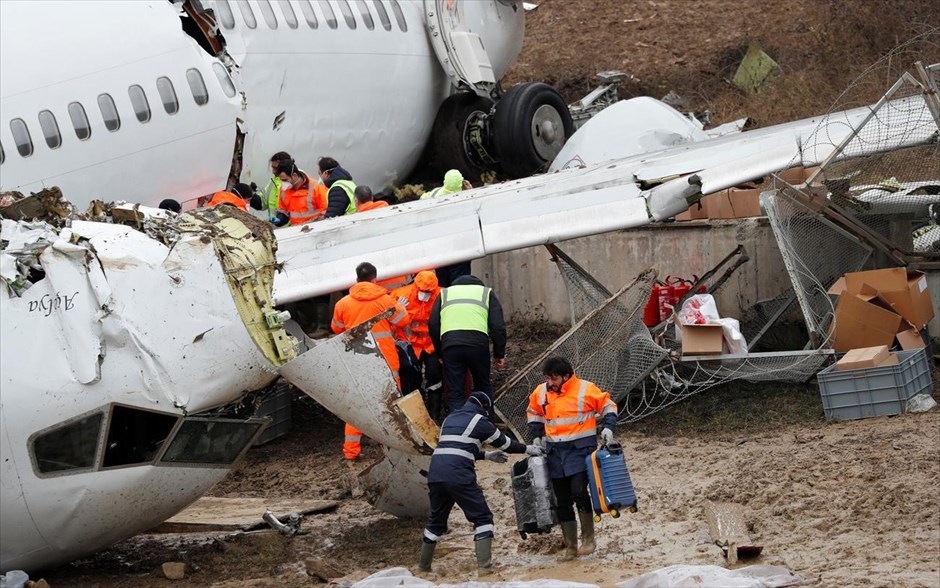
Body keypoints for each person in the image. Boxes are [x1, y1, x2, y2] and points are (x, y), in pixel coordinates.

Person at [418, 390, 542, 573]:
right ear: (485, 408)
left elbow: (457, 446)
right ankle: (485, 568)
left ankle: (423, 567)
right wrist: (528, 449)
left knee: (436, 522)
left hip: (436, 473)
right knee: (483, 518)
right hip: (458, 474)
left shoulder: (450, 418)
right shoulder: (479, 421)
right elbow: (505, 444)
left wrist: (486, 455)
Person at [526, 356, 618, 560]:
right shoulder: (541, 392)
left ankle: (588, 540)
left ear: (566, 376)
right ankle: (571, 547)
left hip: (580, 451)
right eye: (548, 378)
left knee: (579, 492)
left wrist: (609, 428)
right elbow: (533, 413)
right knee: (562, 500)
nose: (550, 383)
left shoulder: (585, 389)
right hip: (555, 454)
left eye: (554, 378)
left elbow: (608, 406)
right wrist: (537, 435)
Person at [331, 262, 410, 460]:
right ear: (375, 279)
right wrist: (400, 305)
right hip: (385, 359)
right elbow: (403, 321)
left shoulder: (343, 304)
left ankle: (351, 450)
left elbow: (336, 329)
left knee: (360, 403)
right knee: (391, 402)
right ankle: (394, 446)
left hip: (358, 359)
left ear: (357, 280)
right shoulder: (384, 300)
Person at [428, 274, 506, 413]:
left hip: (451, 345)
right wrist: (498, 353)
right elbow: (497, 326)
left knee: (455, 391)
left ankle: (458, 429)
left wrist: (440, 352)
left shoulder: (445, 293)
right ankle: (486, 427)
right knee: (483, 386)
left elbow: (433, 324)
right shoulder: (486, 292)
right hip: (477, 344)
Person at [391, 270, 443, 421]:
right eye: (422, 291)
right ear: (416, 286)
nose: (425, 294)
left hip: (431, 345)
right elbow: (389, 322)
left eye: (428, 292)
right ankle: (416, 414)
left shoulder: (442, 295)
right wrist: (397, 310)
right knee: (411, 378)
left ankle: (434, 415)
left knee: (434, 375)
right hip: (410, 346)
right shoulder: (400, 296)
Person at [420, 169, 474, 286]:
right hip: (458, 248)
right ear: (460, 184)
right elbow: (474, 210)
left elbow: (421, 200)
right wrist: (470, 191)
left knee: (443, 284)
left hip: (439, 247)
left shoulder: (434, 193)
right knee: (460, 283)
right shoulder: (461, 198)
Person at [272, 160, 327, 226]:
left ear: (294, 175)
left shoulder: (317, 187)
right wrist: (279, 219)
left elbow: (327, 213)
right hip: (297, 232)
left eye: (285, 180)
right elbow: (284, 212)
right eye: (281, 180)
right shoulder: (284, 190)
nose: (283, 183)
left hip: (316, 230)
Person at [259, 151, 294, 216]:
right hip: (273, 225)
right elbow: (264, 201)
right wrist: (254, 199)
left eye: (275, 168)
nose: (273, 171)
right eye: (272, 168)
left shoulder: (296, 182)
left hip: (293, 225)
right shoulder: (273, 182)